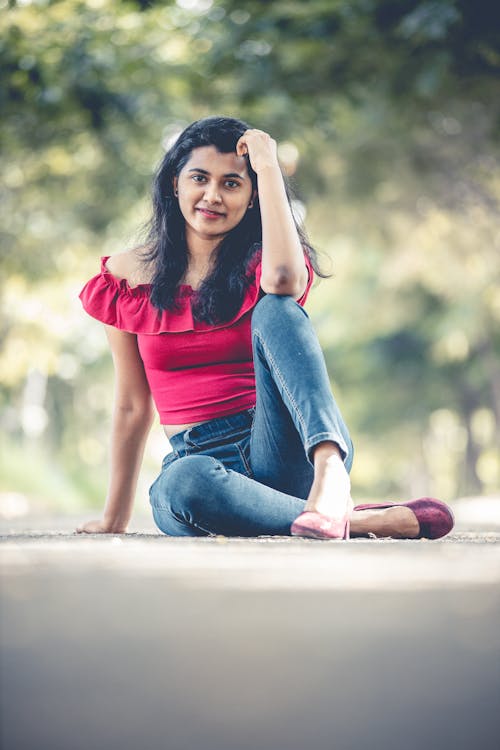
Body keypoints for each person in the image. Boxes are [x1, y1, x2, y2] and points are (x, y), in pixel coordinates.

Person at [77, 116, 454, 540]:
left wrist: (269, 167)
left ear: (253, 196)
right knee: (182, 484)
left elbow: (284, 283)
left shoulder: (265, 263)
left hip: (280, 449)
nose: (213, 196)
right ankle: (357, 520)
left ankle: (330, 473)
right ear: (174, 184)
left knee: (277, 309)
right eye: (199, 178)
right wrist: (114, 518)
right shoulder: (124, 278)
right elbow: (131, 404)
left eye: (233, 184)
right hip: (201, 466)